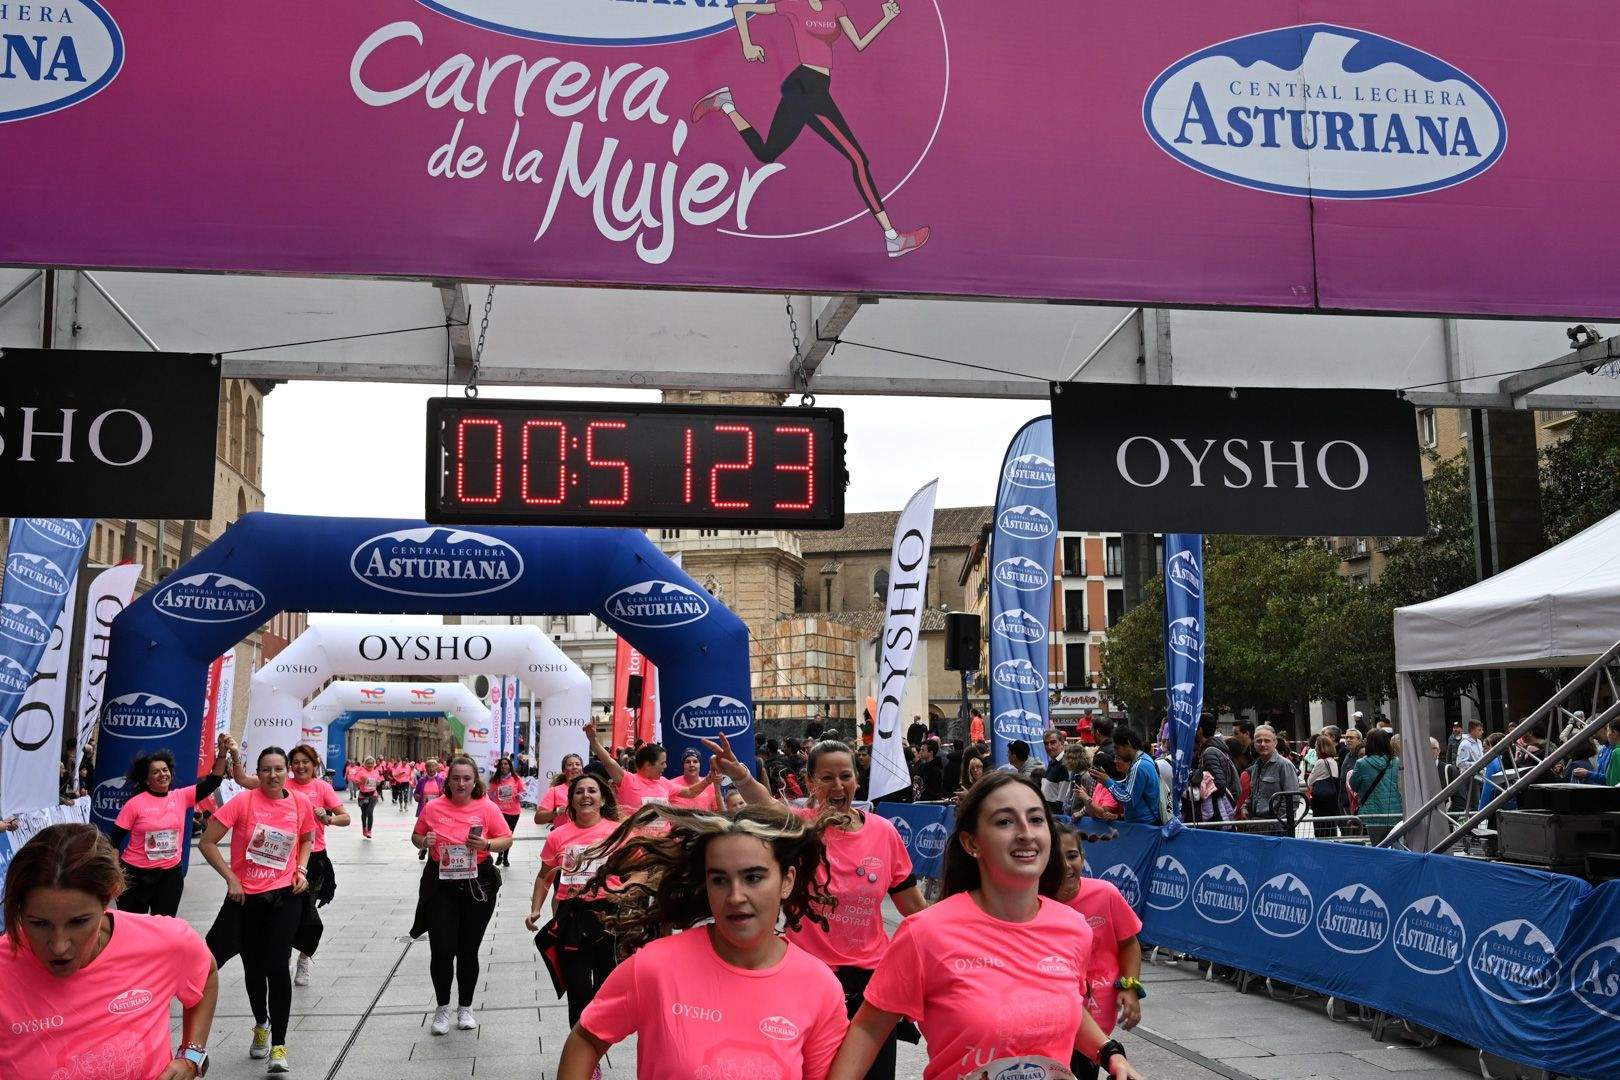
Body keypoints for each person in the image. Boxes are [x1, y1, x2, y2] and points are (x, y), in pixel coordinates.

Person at [826, 774, 1141, 1080]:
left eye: (1036, 819)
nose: (1025, 833)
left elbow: (1063, 1006)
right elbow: (869, 1028)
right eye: (1005, 822)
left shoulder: (1074, 928)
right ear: (971, 843)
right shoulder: (926, 933)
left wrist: (1109, 1052)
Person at [555, 802, 852, 1080]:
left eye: (753, 877)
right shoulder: (655, 967)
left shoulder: (819, 986)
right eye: (720, 880)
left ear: (787, 881)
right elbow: (586, 1039)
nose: (735, 897)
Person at [711, 735, 928, 1080]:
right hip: (808, 979)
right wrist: (740, 776)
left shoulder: (885, 833)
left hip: (871, 984)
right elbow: (766, 805)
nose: (838, 786)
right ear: (811, 782)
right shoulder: (802, 828)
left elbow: (914, 908)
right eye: (827, 778)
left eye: (845, 776)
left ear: (857, 780)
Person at [0, 824, 220, 1080]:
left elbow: (206, 975)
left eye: (79, 922)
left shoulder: (164, 942)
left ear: (109, 896)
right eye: (39, 924)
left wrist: (192, 1055)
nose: (59, 946)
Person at [199, 746, 315, 1072]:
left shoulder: (299, 803)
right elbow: (207, 842)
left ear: (287, 771)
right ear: (258, 772)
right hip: (246, 900)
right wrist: (231, 878)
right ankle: (261, 1023)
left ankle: (279, 1046)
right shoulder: (243, 802)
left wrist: (301, 870)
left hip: (284, 898)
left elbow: (306, 839)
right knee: (253, 969)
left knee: (277, 966)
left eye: (279, 769)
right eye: (266, 769)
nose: (273, 775)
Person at [232, 743, 349, 986]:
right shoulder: (281, 781)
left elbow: (345, 818)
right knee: (285, 914)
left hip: (313, 859)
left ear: (314, 764)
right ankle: (281, 958)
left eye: (305, 762)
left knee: (308, 914)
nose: (300, 766)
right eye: (296, 762)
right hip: (281, 861)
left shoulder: (322, 787)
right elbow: (242, 779)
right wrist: (232, 755)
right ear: (289, 766)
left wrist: (327, 818)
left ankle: (303, 960)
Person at [413, 754, 514, 1035]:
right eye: (456, 778)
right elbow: (416, 836)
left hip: (477, 884)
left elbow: (507, 838)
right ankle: (442, 1007)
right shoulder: (433, 807)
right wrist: (424, 841)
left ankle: (466, 1007)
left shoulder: (487, 807)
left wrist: (487, 844)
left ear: (474, 781)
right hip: (441, 884)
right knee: (442, 949)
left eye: (466, 778)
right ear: (448, 781)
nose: (461, 783)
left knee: (468, 950)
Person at [1049, 822, 1144, 1080]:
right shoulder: (1033, 902)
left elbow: (1129, 943)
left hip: (1095, 1028)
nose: (1066, 866)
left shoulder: (1106, 894)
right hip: (1053, 1023)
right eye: (1055, 859)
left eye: (1072, 856)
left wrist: (1130, 987)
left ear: (1083, 857)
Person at [527, 774, 623, 1028]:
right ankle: (582, 1047)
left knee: (605, 992)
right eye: (579, 792)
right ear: (571, 801)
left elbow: (639, 869)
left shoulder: (618, 832)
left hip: (608, 918)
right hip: (571, 919)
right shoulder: (557, 836)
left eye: (592, 791)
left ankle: (596, 1040)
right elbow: (544, 876)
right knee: (578, 991)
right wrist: (535, 909)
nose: (585, 796)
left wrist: (625, 890)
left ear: (603, 799)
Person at [111, 734, 232, 917]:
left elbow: (213, 781)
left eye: (165, 770)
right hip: (136, 876)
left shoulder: (181, 797)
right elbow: (113, 841)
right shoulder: (134, 804)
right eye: (156, 772)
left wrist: (222, 754)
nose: (162, 774)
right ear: (146, 780)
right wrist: (116, 873)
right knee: (133, 926)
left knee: (165, 926)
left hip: (169, 876)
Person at [583, 720, 712, 812]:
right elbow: (608, 762)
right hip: (635, 841)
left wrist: (708, 779)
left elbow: (690, 792)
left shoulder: (664, 782)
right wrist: (593, 741)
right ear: (648, 765)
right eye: (662, 763)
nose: (665, 766)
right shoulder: (627, 780)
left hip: (663, 841)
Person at [1092, 728, 1162, 826]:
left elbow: (1128, 800)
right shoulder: (1143, 759)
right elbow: (1128, 787)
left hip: (1143, 825)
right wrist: (1106, 780)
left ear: (1128, 744)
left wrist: (1108, 782)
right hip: (1145, 822)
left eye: (1117, 748)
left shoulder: (1139, 766)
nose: (1116, 753)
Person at [1349, 728, 1403, 843]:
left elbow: (1353, 786)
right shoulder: (1396, 762)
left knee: (1378, 846)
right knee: (1396, 845)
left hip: (1372, 813)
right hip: (1395, 812)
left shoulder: (1362, 763)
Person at [1243, 725, 1300, 830]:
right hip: (1257, 826)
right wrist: (1245, 807)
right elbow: (1254, 794)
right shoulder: (1256, 766)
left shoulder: (1284, 765)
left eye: (1267, 741)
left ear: (1275, 742)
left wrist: (1278, 825)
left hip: (1276, 829)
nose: (1262, 744)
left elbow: (1292, 800)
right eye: (1259, 741)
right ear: (1254, 744)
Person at [1188, 717, 1239, 823]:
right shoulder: (1214, 748)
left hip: (1217, 813)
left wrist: (1199, 786)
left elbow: (1219, 786)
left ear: (1200, 730)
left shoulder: (1209, 752)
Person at [488, 756, 524, 866]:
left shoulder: (516, 779)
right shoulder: (495, 780)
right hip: (500, 811)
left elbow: (523, 792)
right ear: (499, 767)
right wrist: (496, 795)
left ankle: (505, 858)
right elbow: (490, 795)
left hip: (513, 811)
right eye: (502, 764)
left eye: (506, 764)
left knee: (509, 835)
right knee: (501, 834)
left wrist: (519, 796)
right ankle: (500, 855)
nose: (504, 766)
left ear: (509, 766)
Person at [1305, 735, 1343, 837]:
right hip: (1332, 799)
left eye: (1316, 746)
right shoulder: (1333, 761)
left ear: (1321, 748)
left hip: (1321, 800)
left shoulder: (1321, 762)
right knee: (1330, 827)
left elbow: (1310, 781)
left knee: (1320, 827)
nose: (1315, 749)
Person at [534, 753, 586, 825]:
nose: (574, 767)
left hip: (586, 832)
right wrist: (557, 811)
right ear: (564, 771)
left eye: (578, 764)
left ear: (582, 769)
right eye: (570, 765)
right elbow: (538, 819)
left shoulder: (589, 789)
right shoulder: (555, 791)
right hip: (563, 832)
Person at [414, 757, 446, 860]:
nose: (431, 769)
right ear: (425, 768)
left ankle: (431, 853)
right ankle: (424, 848)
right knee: (424, 831)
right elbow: (416, 793)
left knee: (434, 832)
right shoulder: (422, 780)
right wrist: (417, 797)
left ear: (437, 768)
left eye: (433, 767)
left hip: (438, 811)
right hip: (425, 810)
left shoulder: (441, 780)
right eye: (428, 767)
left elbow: (446, 794)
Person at [1040, 728, 1073, 814]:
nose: (1049, 747)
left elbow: (1062, 801)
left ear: (1062, 743)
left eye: (1053, 742)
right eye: (1046, 744)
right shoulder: (1053, 762)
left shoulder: (1064, 765)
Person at [353, 755, 383, 838]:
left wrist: (378, 782)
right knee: (364, 813)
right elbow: (356, 784)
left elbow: (379, 781)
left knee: (370, 812)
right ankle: (364, 828)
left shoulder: (376, 772)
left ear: (374, 764)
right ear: (365, 764)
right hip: (363, 795)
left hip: (373, 794)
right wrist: (361, 782)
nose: (370, 765)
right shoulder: (361, 772)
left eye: (371, 763)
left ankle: (369, 831)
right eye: (368, 763)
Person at [916, 737, 945, 801]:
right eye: (920, 750)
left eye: (923, 750)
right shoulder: (922, 766)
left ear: (931, 752)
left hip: (930, 802)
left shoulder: (936, 770)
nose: (920, 752)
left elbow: (935, 791)